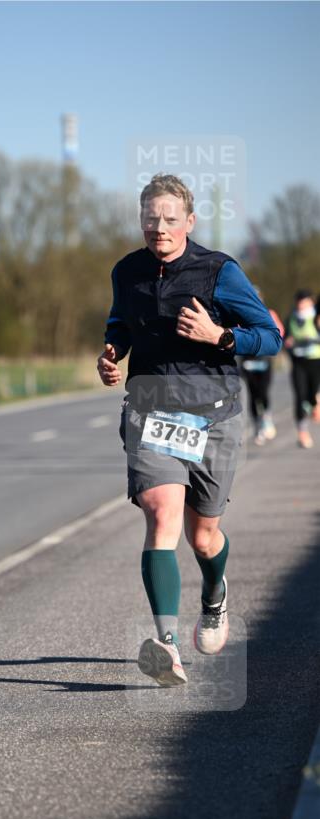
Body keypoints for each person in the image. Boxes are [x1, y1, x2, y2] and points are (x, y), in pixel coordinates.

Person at [97, 174, 281, 687]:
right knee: (161, 513)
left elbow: (271, 337)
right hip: (150, 412)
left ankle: (214, 594)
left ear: (189, 222)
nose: (159, 227)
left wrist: (220, 335)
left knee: (203, 537)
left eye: (170, 219)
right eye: (150, 218)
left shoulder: (219, 271)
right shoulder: (126, 271)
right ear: (141, 220)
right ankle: (167, 645)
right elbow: (120, 321)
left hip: (213, 416)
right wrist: (113, 353)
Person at [239, 287, 284, 446]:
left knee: (263, 392)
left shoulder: (269, 314)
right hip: (247, 360)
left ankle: (266, 418)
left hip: (264, 359)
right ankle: (257, 426)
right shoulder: (239, 314)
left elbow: (279, 333)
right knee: (252, 394)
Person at [284, 289, 320, 449]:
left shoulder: (316, 317)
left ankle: (315, 404)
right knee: (299, 395)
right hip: (298, 362)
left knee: (312, 395)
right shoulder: (291, 318)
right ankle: (302, 433)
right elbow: (284, 338)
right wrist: (288, 342)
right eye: (299, 301)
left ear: (311, 302)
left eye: (304, 301)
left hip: (316, 361)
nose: (301, 304)